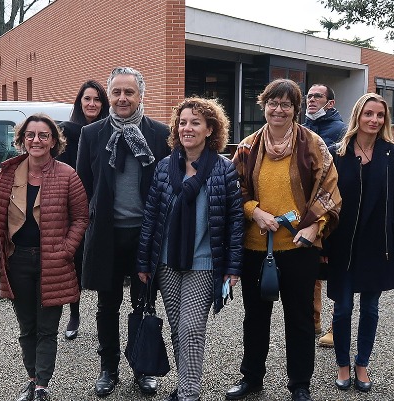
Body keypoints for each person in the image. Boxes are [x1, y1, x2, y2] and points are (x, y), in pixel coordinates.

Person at [226, 78, 341, 401]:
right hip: (255, 247)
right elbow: (234, 189)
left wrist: (315, 226)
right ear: (263, 106)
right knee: (255, 317)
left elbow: (329, 188)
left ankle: (300, 384)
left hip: (299, 247)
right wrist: (254, 211)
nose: (279, 109)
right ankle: (251, 378)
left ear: (296, 109)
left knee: (300, 318)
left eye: (286, 104)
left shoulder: (313, 144)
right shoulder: (248, 146)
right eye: (273, 103)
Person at [135, 97, 243, 401]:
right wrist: (143, 262)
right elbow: (151, 217)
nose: (187, 128)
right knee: (177, 328)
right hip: (166, 262)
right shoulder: (164, 167)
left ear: (210, 129)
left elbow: (235, 221)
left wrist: (233, 267)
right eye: (182, 122)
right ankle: (185, 385)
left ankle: (188, 394)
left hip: (204, 262)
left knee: (191, 328)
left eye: (195, 122)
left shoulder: (224, 169)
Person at [76, 67, 171, 397]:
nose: (122, 98)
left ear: (140, 95)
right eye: (116, 92)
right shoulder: (92, 134)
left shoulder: (160, 134)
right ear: (109, 95)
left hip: (146, 235)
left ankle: (143, 367)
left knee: (144, 304)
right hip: (107, 234)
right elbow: (83, 187)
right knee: (107, 306)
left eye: (129, 92)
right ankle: (109, 367)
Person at [0, 113, 89, 401]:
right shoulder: (7, 174)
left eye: (43, 135)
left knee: (47, 328)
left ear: (54, 141)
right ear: (22, 139)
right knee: (27, 327)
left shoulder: (67, 175)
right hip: (17, 261)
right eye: (30, 135)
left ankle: (42, 385)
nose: (36, 140)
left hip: (52, 262)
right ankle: (31, 380)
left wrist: (66, 250)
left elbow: (81, 217)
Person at [325, 93, 394, 393]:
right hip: (343, 243)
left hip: (378, 243)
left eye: (380, 115)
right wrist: (323, 245)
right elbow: (326, 202)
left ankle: (362, 364)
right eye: (369, 114)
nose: (374, 120)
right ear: (358, 116)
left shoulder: (392, 153)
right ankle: (343, 364)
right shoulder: (338, 152)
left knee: (371, 309)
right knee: (342, 308)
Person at [56, 79, 109, 340]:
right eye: (87, 99)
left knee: (103, 261)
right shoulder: (67, 132)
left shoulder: (109, 130)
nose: (92, 104)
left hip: (103, 205)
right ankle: (74, 313)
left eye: (97, 99)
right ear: (79, 102)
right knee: (74, 264)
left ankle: (104, 313)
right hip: (75, 208)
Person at [302, 83, 348, 347]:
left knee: (336, 268)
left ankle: (334, 326)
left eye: (317, 96)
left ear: (330, 103)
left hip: (333, 208)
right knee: (312, 267)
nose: (311, 100)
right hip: (308, 209)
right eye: (309, 96)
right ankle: (314, 319)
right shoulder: (301, 129)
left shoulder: (342, 131)